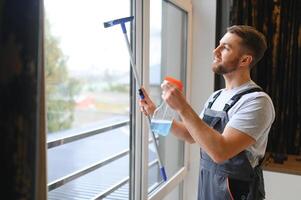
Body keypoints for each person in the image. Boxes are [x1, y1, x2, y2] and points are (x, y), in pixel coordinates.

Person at [139, 25, 275, 200]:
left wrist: (182, 107)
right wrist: (154, 112)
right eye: (219, 45)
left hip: (237, 192)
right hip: (208, 187)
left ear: (244, 60)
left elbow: (220, 152)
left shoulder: (257, 102)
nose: (215, 51)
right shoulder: (216, 96)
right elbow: (190, 134)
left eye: (225, 47)